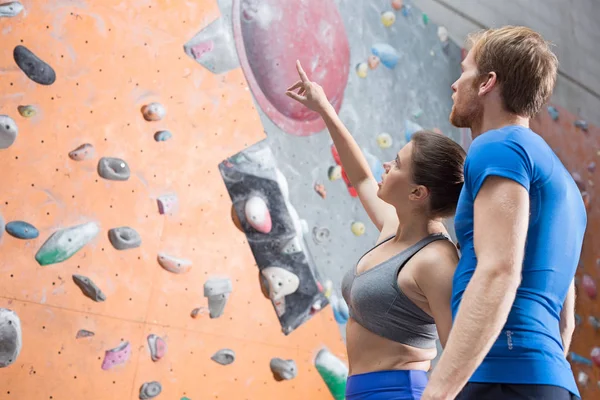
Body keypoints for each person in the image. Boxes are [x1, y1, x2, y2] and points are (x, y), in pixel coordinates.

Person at [286, 60, 466, 400]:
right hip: (362, 391)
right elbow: (362, 177)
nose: (386, 165)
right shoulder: (395, 224)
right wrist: (324, 108)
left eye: (397, 164)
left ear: (417, 193)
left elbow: (459, 356)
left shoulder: (437, 261)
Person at [422, 26, 585, 400]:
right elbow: (565, 322)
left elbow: (499, 269)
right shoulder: (564, 185)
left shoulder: (499, 145)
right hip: (545, 378)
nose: (454, 84)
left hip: (501, 376)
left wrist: (440, 390)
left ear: (486, 83)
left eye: (464, 71)